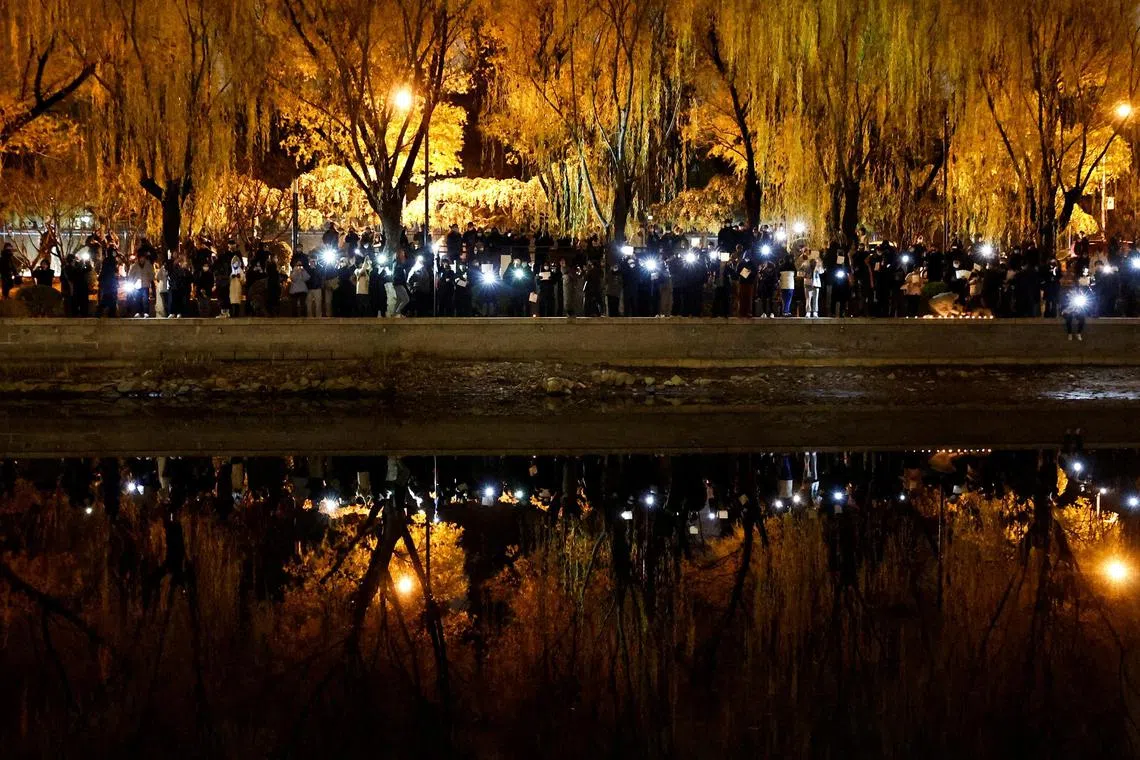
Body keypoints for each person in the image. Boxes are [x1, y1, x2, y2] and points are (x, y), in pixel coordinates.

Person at [228, 252, 245, 317]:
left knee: (237, 302)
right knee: (232, 302)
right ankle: (232, 314)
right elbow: (228, 280)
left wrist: (239, 277)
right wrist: (231, 277)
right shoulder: (231, 270)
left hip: (238, 288)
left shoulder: (240, 271)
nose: (235, 264)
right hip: (232, 288)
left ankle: (237, 314)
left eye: (237, 262)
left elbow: (243, 281)